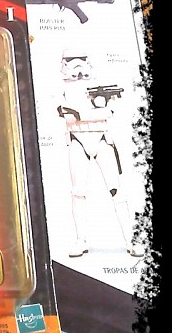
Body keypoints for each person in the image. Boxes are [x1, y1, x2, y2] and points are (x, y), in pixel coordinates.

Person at [57, 49, 144, 258]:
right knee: (78, 192)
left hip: (102, 140)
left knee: (117, 190)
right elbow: (66, 116)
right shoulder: (60, 88)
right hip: (77, 141)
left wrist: (81, 113)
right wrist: (89, 113)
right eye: (71, 60)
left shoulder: (101, 85)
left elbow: (108, 112)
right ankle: (81, 240)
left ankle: (131, 240)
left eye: (81, 59)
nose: (77, 64)